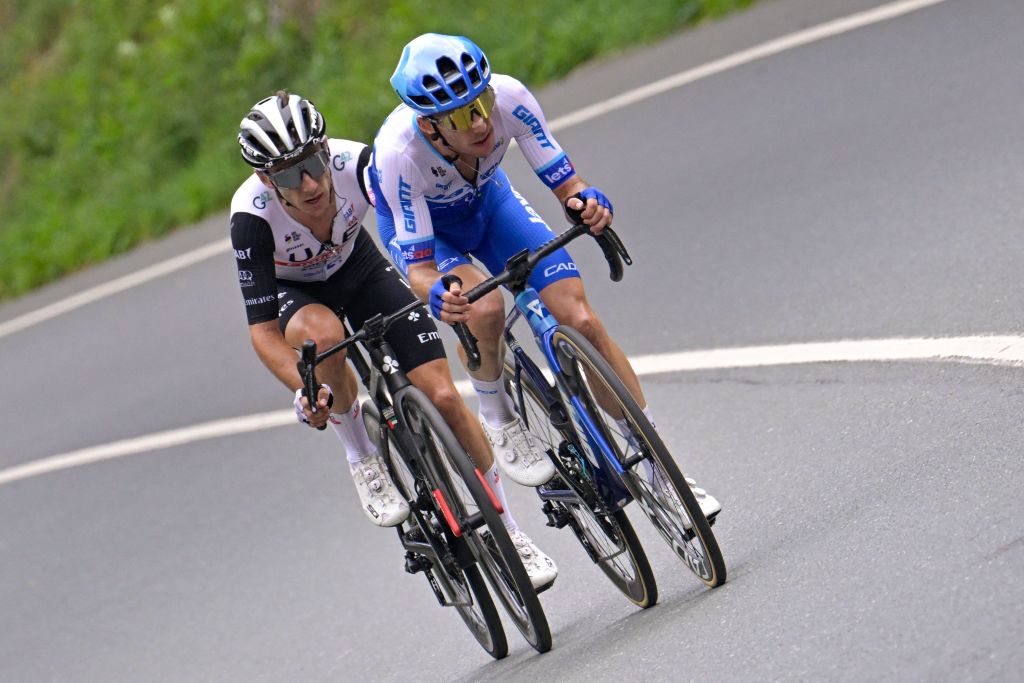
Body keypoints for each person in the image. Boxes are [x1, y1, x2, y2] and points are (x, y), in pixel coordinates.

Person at [371, 34, 721, 521]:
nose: (479, 124)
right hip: (432, 237)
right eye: (459, 117)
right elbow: (421, 269)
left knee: (580, 319)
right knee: (485, 308)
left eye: (482, 103)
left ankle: (664, 468)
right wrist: (438, 295)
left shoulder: (511, 97)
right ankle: (496, 412)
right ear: (430, 127)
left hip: (491, 203)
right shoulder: (398, 156)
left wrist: (588, 203)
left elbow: (568, 185)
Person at [230, 91, 557, 588]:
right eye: (290, 176)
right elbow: (263, 333)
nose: (312, 182)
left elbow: (405, 233)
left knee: (444, 395)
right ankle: (361, 452)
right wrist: (305, 388)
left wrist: (433, 288)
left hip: (360, 267)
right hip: (295, 293)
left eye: (314, 163)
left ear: (325, 149)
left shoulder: (357, 163)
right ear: (265, 180)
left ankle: (509, 531)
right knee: (326, 336)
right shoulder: (251, 217)